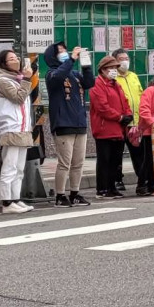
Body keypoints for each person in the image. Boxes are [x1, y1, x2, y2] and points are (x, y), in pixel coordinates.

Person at [44, 40, 95, 207]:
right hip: (63, 123)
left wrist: (86, 65)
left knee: (78, 162)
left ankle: (75, 192)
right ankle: (60, 195)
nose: (64, 53)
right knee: (64, 162)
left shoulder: (74, 74)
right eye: (60, 51)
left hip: (79, 121)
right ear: (52, 56)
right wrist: (71, 59)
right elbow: (59, 76)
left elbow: (89, 83)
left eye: (65, 50)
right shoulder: (51, 74)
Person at [0, 49, 34, 214]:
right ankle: (6, 201)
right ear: (4, 63)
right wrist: (26, 79)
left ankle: (15, 198)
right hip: (11, 127)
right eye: (11, 59)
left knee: (19, 167)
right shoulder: (3, 80)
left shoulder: (17, 79)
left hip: (22, 127)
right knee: (9, 166)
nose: (15, 60)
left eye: (16, 57)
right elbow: (18, 98)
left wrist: (24, 79)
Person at [90, 56, 132, 199]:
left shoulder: (116, 84)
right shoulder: (97, 85)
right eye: (111, 68)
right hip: (104, 129)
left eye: (115, 68)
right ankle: (102, 188)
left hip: (118, 128)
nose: (114, 70)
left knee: (115, 160)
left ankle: (112, 187)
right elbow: (102, 107)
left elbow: (124, 101)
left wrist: (128, 114)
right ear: (103, 70)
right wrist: (120, 117)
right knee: (104, 160)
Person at [112, 48, 144, 193]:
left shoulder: (133, 76)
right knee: (117, 154)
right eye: (121, 59)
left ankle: (142, 179)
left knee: (138, 152)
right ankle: (117, 179)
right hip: (120, 122)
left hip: (135, 122)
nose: (125, 61)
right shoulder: (113, 78)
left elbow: (140, 95)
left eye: (126, 58)